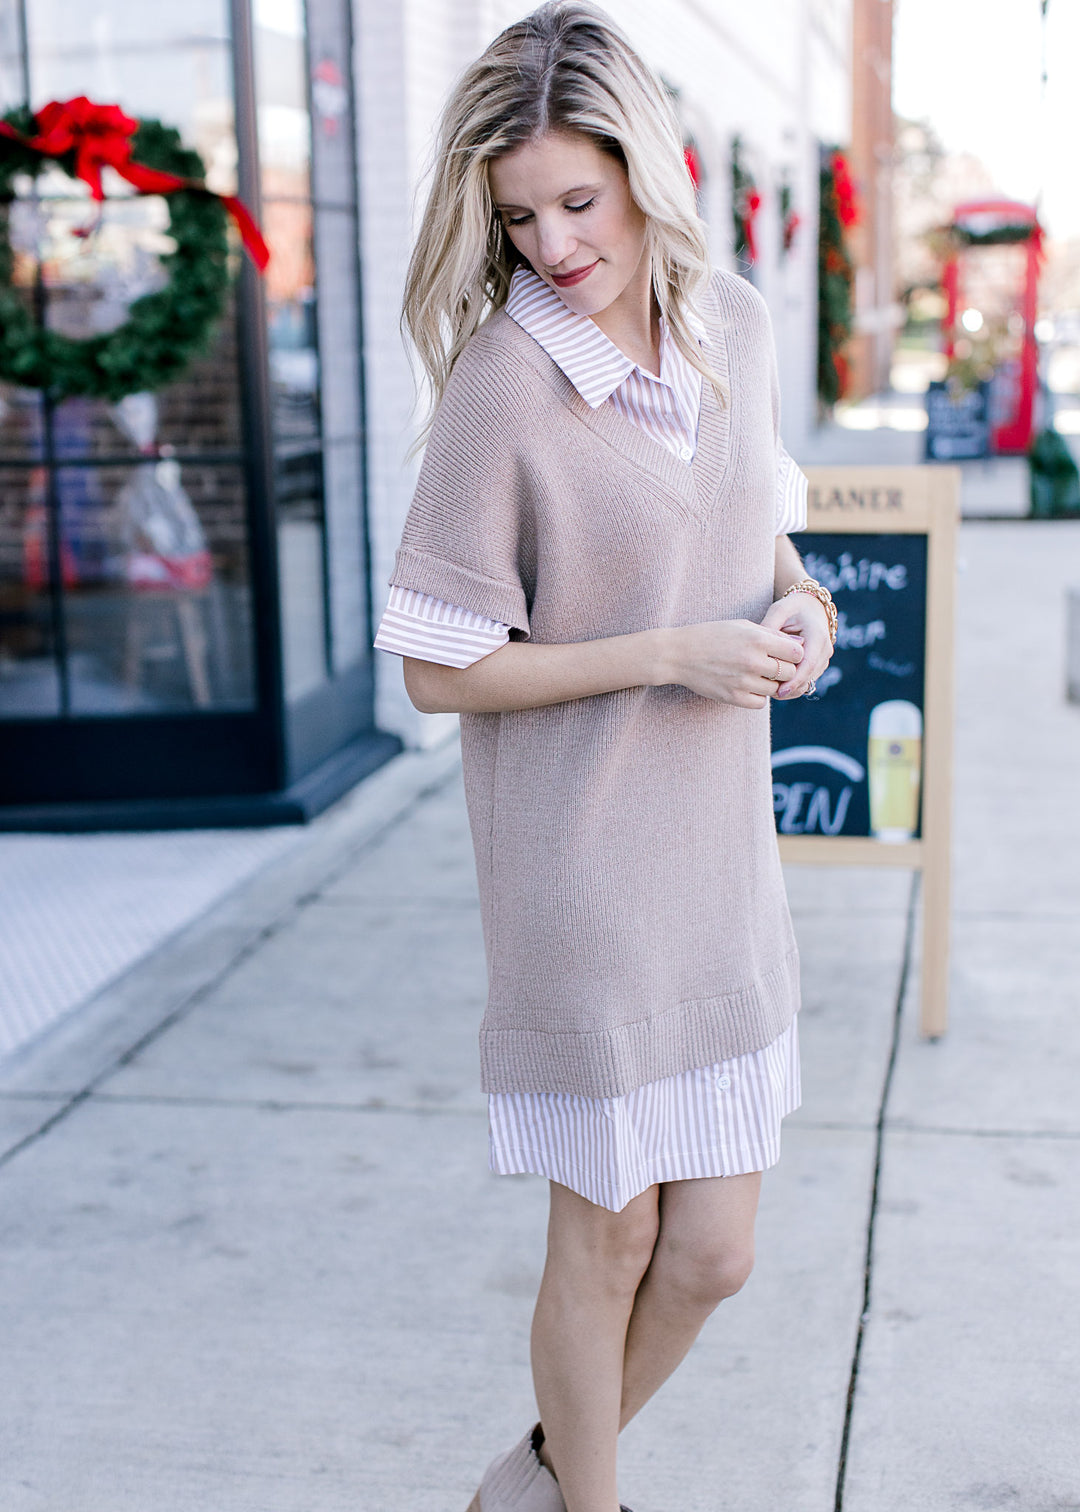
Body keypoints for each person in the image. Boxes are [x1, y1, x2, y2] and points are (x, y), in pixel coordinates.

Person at [373, 5, 837, 1509]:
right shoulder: (505, 387)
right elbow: (441, 668)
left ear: (651, 171)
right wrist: (664, 655)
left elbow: (748, 530)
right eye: (518, 217)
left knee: (715, 1252)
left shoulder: (740, 326)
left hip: (717, 866)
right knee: (612, 1236)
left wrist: (804, 606)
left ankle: (536, 1479)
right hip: (581, 874)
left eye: (580, 199)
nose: (554, 243)